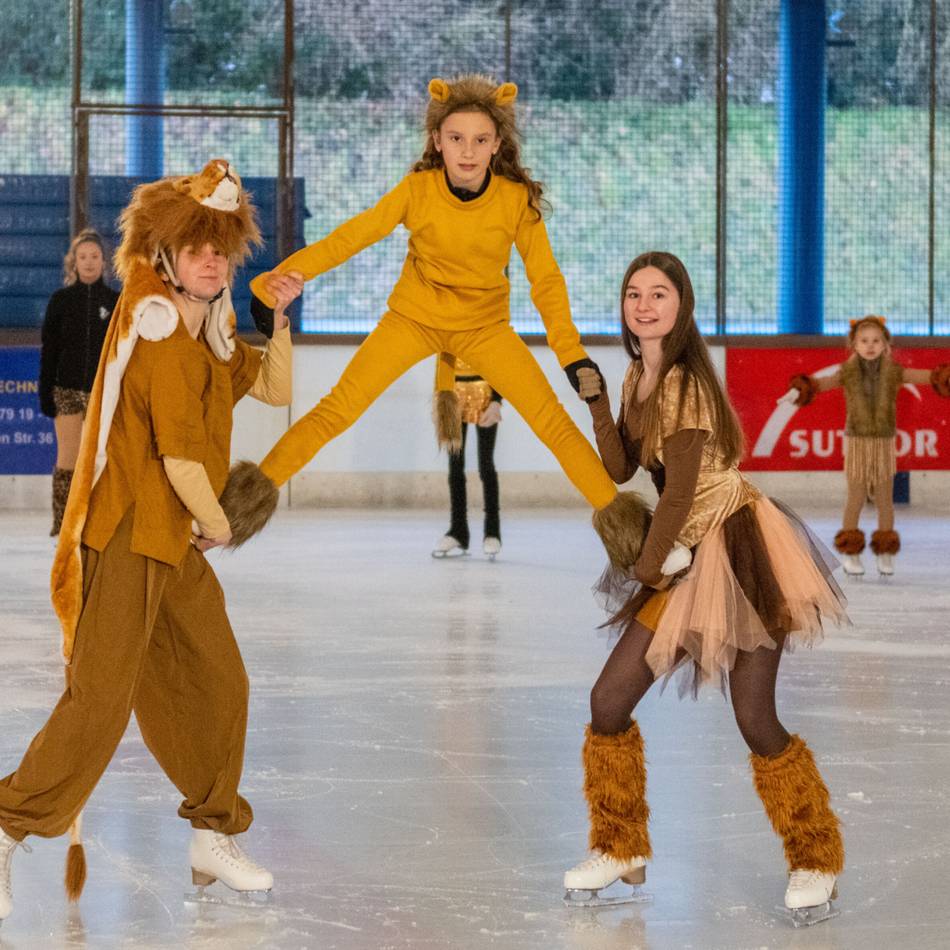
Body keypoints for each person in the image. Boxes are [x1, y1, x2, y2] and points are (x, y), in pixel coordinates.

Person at [0, 160, 302, 925]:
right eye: (196, 248)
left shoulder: (210, 330)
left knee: (220, 681)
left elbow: (274, 389)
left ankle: (211, 832)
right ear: (164, 253)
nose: (211, 260)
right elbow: (179, 460)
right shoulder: (162, 331)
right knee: (100, 703)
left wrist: (277, 320)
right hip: (130, 534)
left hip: (174, 541)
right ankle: (6, 823)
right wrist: (222, 523)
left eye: (220, 249)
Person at [224, 74, 638, 565]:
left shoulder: (515, 201)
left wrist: (571, 355)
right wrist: (278, 279)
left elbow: (545, 280)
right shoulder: (417, 191)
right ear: (437, 140)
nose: (468, 151)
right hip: (412, 320)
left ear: (497, 144)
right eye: (457, 138)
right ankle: (237, 509)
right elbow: (351, 237)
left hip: (485, 328)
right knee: (337, 409)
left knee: (552, 422)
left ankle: (632, 535)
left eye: (480, 140)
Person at [562, 251, 848, 923]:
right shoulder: (638, 374)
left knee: (754, 716)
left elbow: (683, 490)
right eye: (633, 293)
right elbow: (621, 465)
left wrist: (647, 565)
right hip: (682, 550)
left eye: (658, 293)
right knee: (609, 700)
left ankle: (816, 855)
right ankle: (619, 845)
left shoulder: (687, 381)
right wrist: (598, 401)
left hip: (738, 549)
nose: (644, 304)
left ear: (681, 305)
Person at [779, 316, 950, 576]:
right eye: (864, 341)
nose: (870, 346)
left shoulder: (894, 372)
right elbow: (821, 384)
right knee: (856, 497)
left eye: (876, 341)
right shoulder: (847, 372)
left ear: (885, 345)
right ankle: (851, 554)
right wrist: (799, 390)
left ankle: (885, 552)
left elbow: (925, 376)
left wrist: (944, 378)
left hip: (883, 443)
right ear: (854, 345)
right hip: (857, 443)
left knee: (884, 499)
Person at [39, 229, 120, 535]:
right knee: (68, 458)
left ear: (104, 262)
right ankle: (63, 525)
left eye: (94, 256)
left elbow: (122, 351)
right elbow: (50, 350)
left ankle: (97, 523)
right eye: (82, 256)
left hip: (103, 392)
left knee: (101, 459)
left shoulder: (115, 301)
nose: (88, 262)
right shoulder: (60, 301)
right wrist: (45, 393)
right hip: (67, 390)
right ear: (73, 261)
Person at [431, 352, 502, 558]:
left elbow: (497, 358)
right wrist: (439, 399)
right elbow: (442, 361)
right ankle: (458, 530)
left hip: (484, 392)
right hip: (452, 396)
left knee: (486, 466)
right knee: (455, 467)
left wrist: (496, 400)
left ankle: (492, 532)